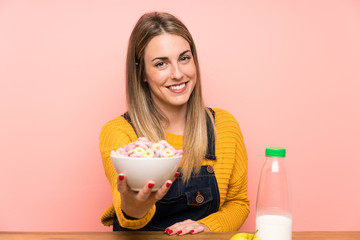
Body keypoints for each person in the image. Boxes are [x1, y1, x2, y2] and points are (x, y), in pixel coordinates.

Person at [99, 12, 249, 235]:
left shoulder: (224, 126)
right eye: (161, 64)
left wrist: (208, 226)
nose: (178, 74)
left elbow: (239, 203)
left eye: (184, 58)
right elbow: (127, 213)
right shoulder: (119, 133)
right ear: (142, 73)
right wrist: (134, 206)